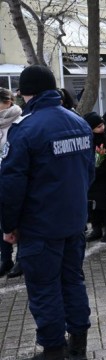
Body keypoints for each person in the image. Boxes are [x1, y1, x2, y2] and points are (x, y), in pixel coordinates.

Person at [0, 65, 95, 360]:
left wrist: (8, 225)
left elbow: (11, 185)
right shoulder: (79, 123)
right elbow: (88, 173)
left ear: (25, 92)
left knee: (44, 289)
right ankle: (78, 344)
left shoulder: (25, 129)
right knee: (73, 282)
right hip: (73, 222)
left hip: (40, 227)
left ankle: (54, 350)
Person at [0, 88, 23, 278]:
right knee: (1, 222)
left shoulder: (19, 121)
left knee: (17, 219)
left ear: (7, 102)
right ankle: (4, 258)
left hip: (13, 178)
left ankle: (20, 259)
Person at [84, 112, 106, 243]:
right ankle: (96, 228)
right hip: (91, 178)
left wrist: (102, 168)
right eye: (98, 126)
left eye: (102, 124)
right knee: (92, 204)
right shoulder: (87, 139)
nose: (102, 128)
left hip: (105, 177)